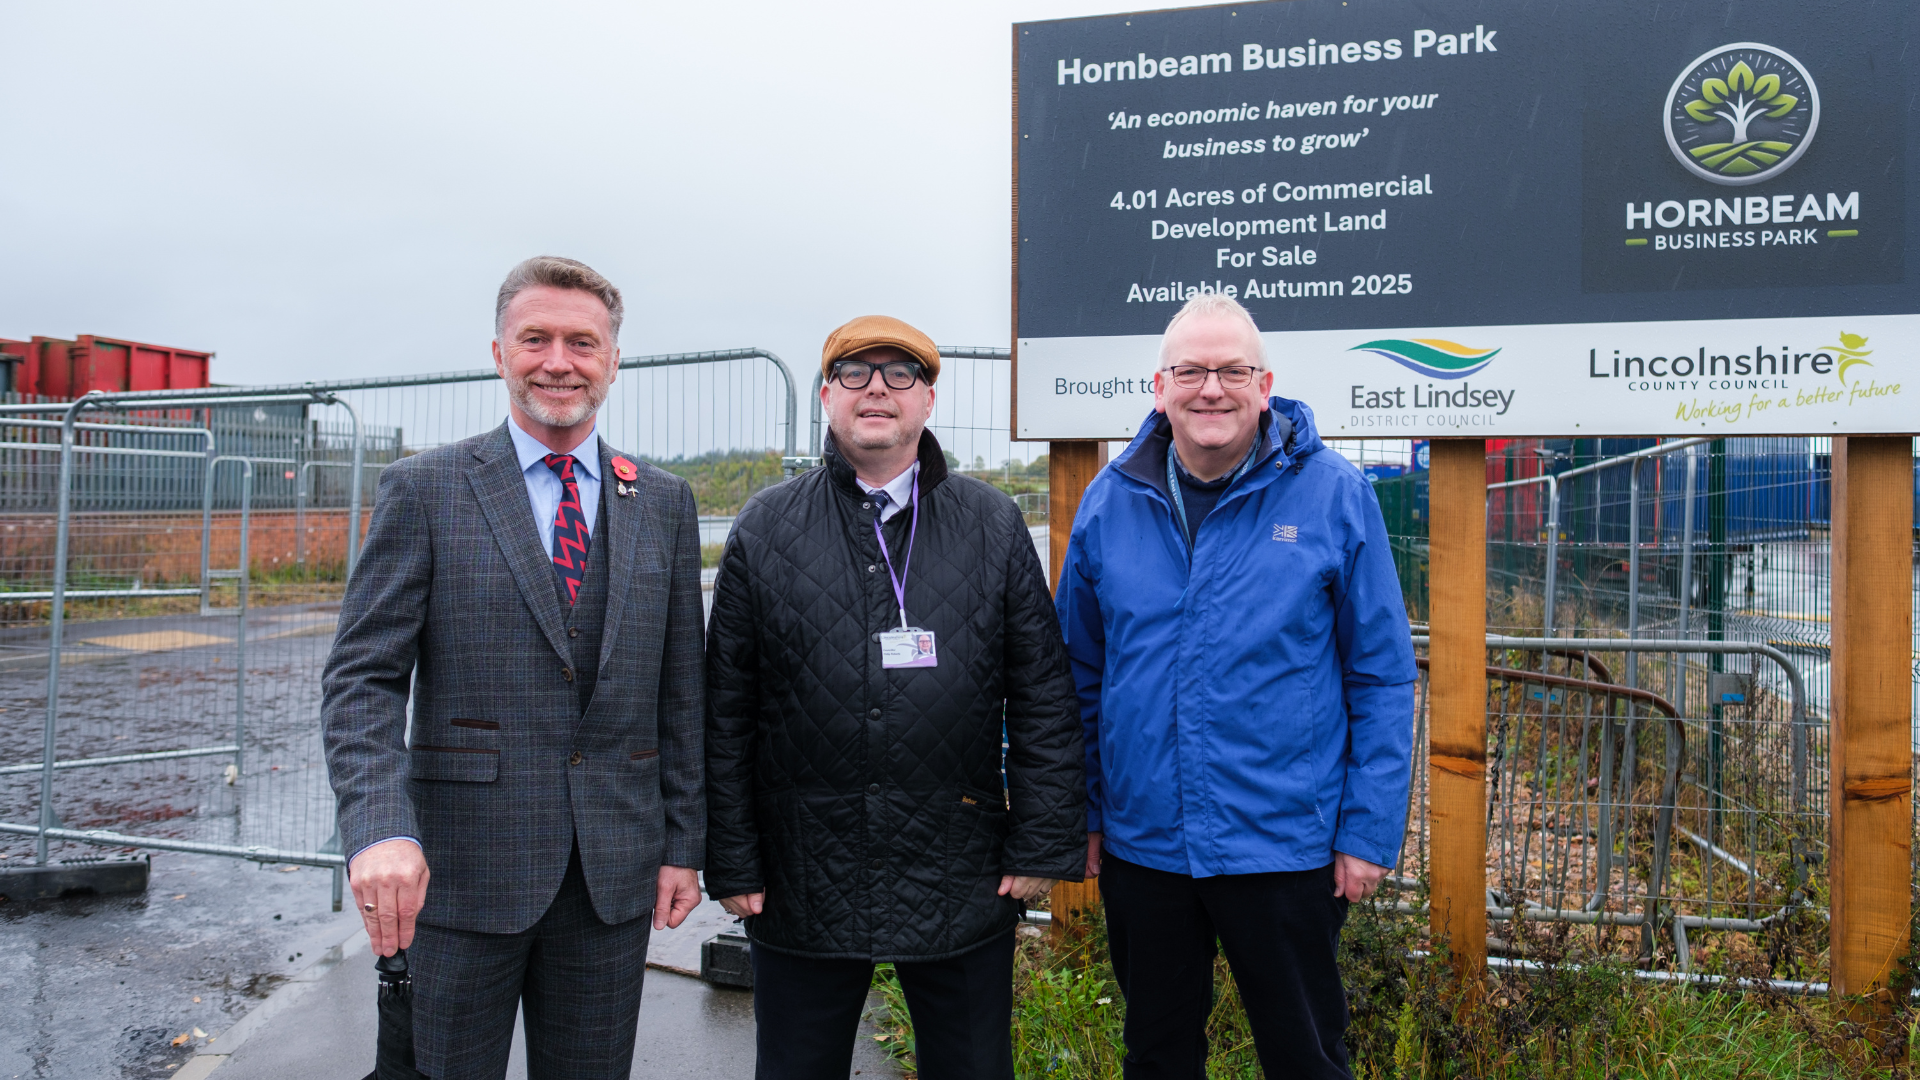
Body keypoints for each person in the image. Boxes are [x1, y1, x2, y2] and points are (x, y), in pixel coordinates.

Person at [323, 256, 706, 1080]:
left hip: (612, 875)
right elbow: (363, 679)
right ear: (499, 352)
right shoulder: (425, 490)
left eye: (582, 342)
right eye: (536, 338)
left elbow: (681, 690)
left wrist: (684, 841)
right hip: (461, 873)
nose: (559, 361)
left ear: (611, 360)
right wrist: (380, 829)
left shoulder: (665, 503)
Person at [704, 315, 1086, 1080]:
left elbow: (1042, 692)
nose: (877, 387)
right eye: (855, 372)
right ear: (825, 395)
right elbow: (724, 711)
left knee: (973, 1066)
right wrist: (733, 858)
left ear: (928, 400)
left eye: (900, 373)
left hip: (957, 864)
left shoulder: (992, 524)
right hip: (804, 866)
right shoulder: (766, 528)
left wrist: (1043, 841)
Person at [1055, 293, 1416, 1079]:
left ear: (1265, 382)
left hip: (1285, 844)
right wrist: (1080, 811)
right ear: (1160, 386)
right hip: (1144, 844)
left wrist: (1366, 830)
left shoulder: (1332, 495)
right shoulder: (1111, 501)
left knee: (1307, 1057)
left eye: (1231, 371)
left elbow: (1382, 675)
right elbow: (1076, 675)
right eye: (1191, 371)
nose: (1210, 389)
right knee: (1157, 1054)